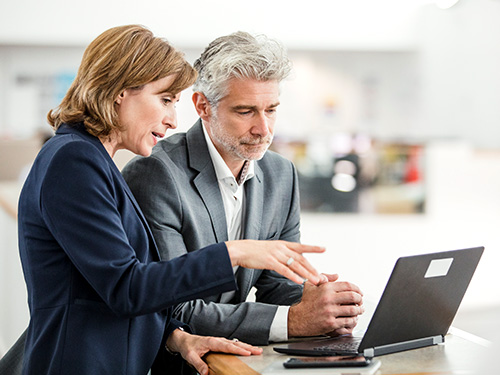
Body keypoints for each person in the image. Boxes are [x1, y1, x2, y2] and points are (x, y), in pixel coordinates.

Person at [16, 25, 328, 375]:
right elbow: (127, 287)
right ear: (121, 91)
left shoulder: (91, 160)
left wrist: (175, 337)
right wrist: (235, 252)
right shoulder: (74, 160)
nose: (172, 120)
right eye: (165, 100)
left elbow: (115, 287)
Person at [122, 31, 364, 347]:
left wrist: (321, 302)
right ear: (203, 106)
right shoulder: (155, 173)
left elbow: (277, 285)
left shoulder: (280, 174)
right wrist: (292, 321)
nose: (263, 129)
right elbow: (173, 307)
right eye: (245, 111)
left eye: (271, 110)